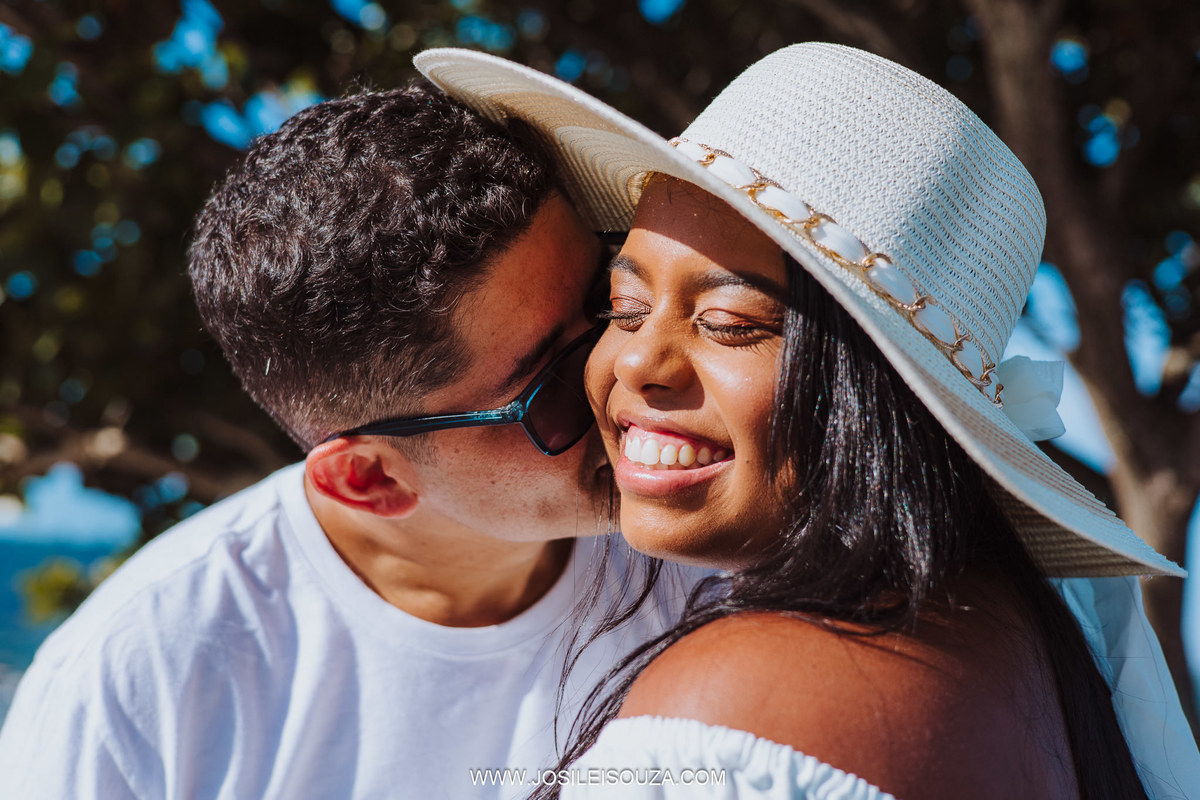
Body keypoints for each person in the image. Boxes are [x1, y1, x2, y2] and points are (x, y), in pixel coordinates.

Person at [416, 44, 1200, 798]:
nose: (633, 362)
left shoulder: (739, 715)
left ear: (888, 390)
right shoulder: (1036, 645)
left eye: (727, 321)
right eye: (622, 307)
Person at [0, 81, 688, 799]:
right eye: (555, 384)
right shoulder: (139, 687)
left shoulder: (725, 542)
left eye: (613, 302)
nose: (630, 371)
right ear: (369, 479)